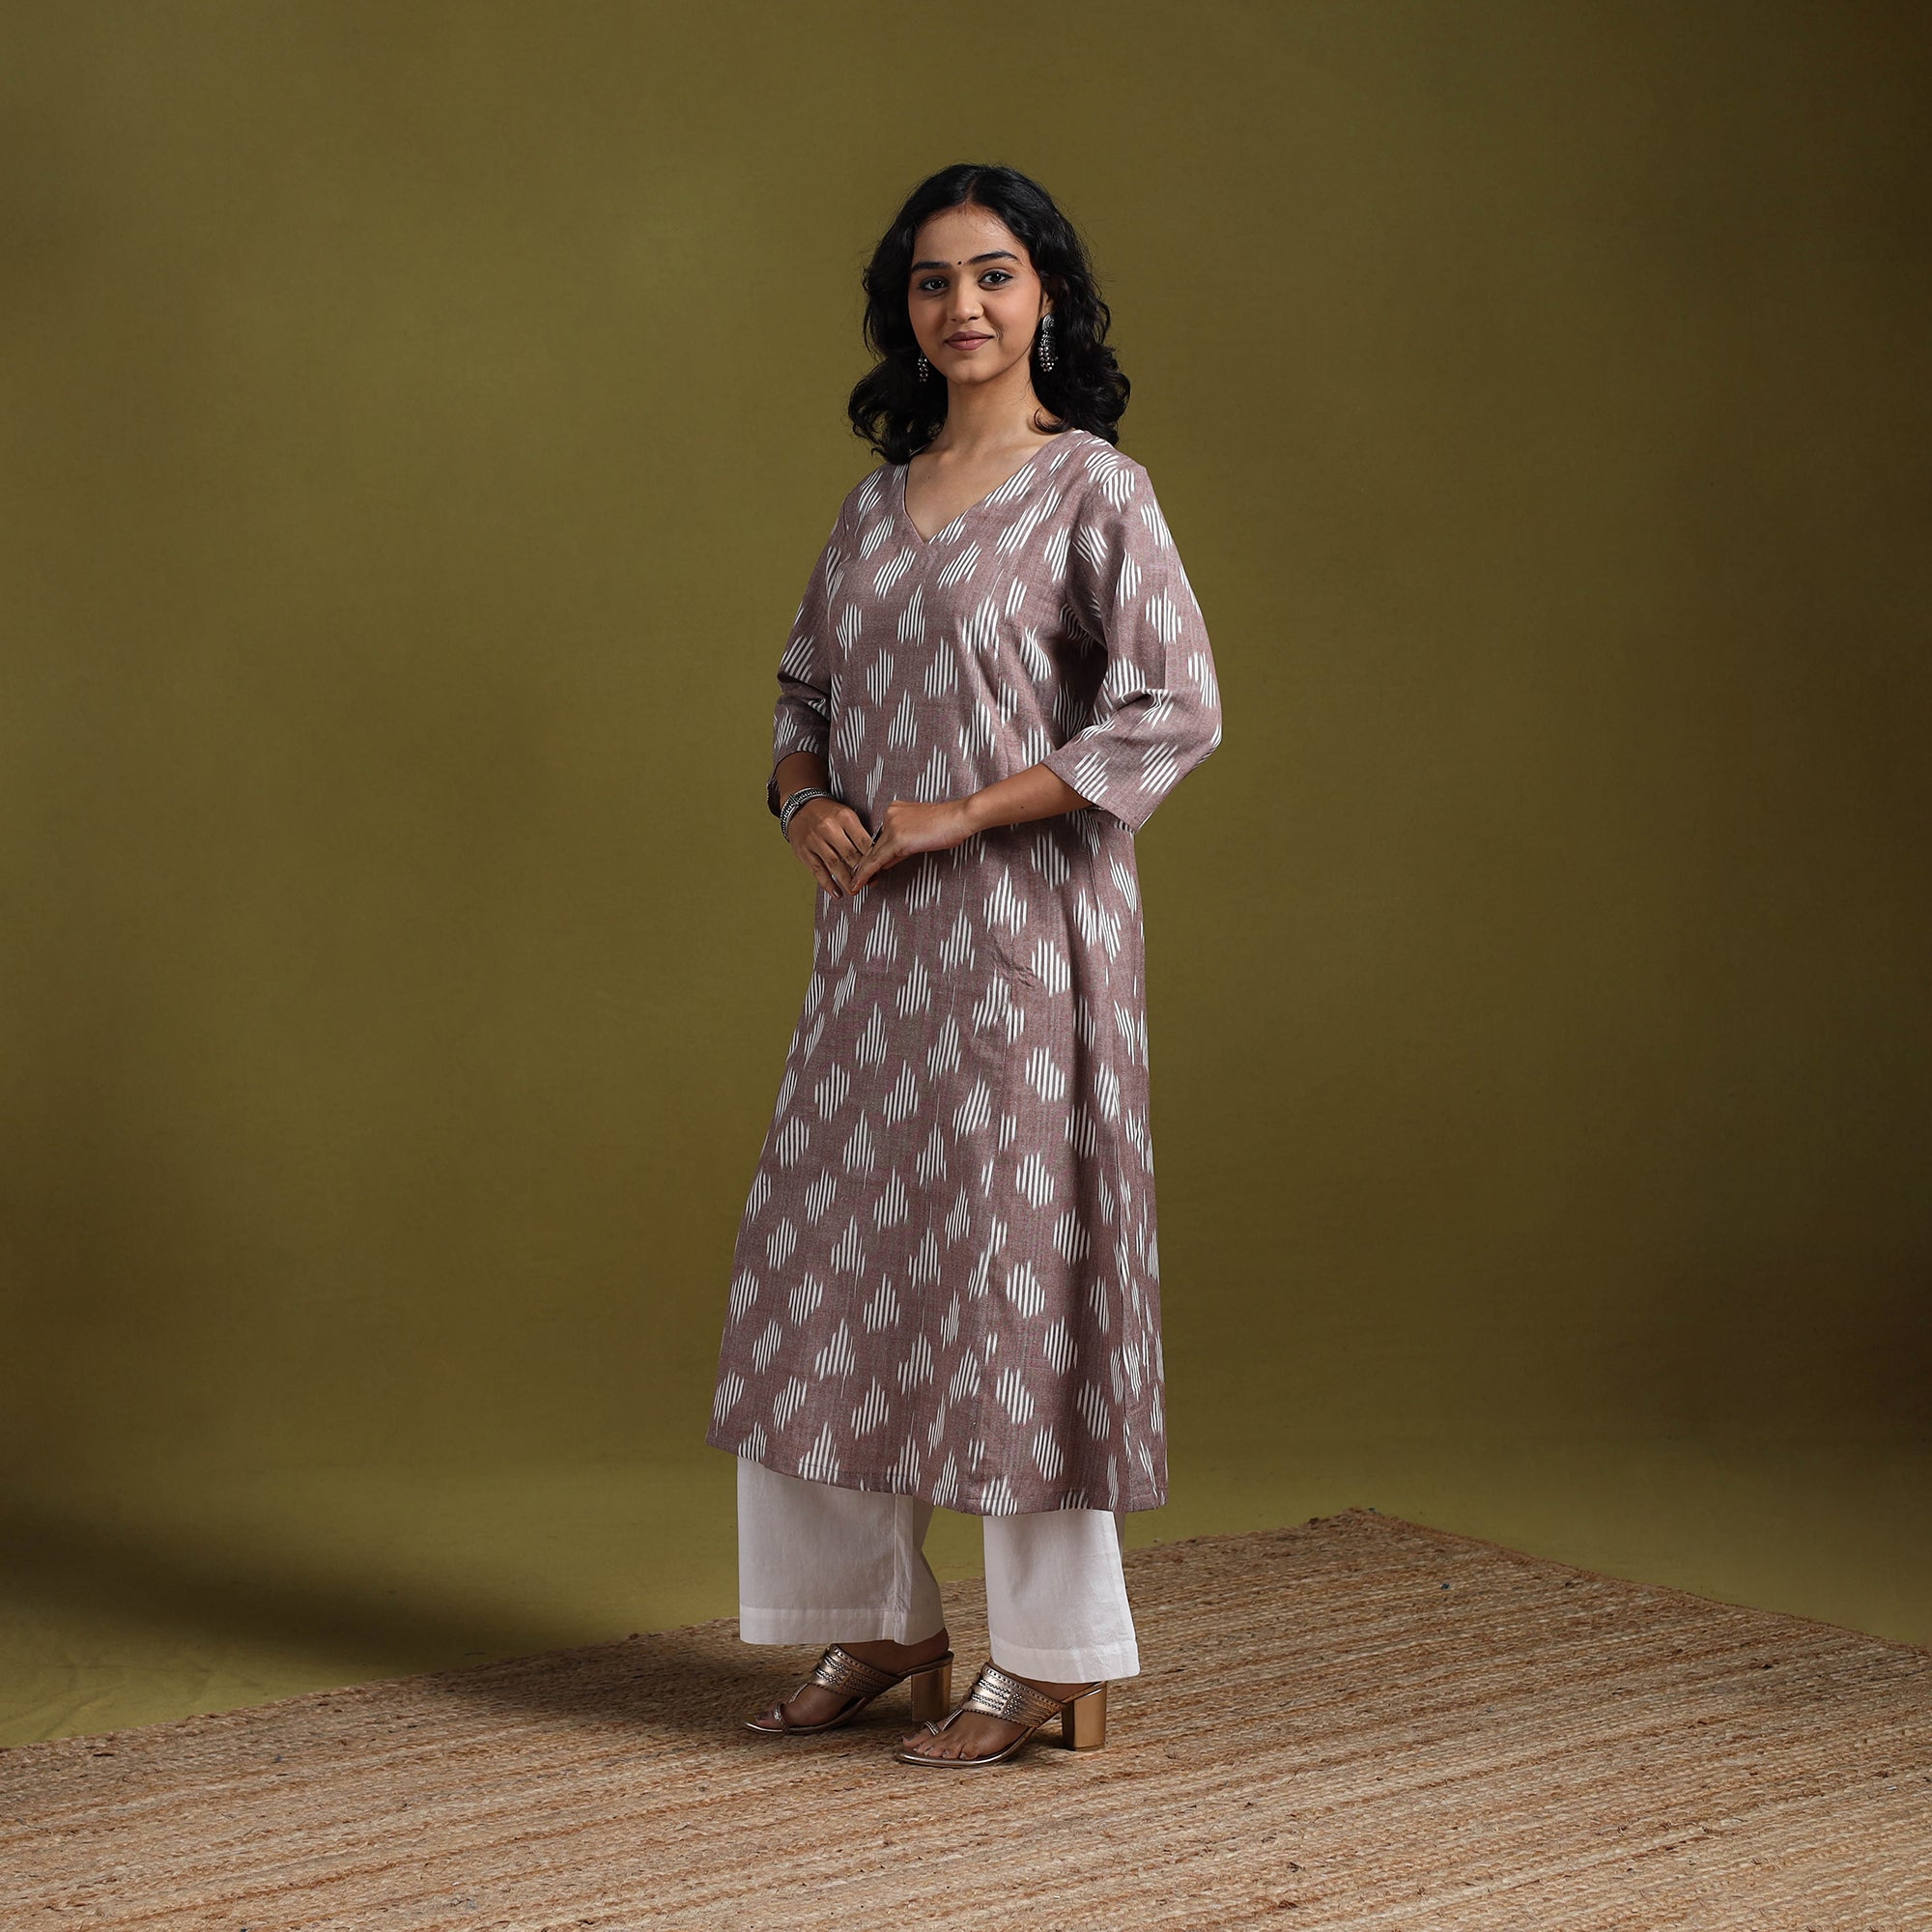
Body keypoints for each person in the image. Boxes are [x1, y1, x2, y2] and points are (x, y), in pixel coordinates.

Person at [705, 160, 1224, 1769]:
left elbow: (1172, 708)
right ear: (905, 312)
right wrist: (804, 801)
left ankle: (1054, 1659)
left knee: (1017, 1284)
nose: (965, 306)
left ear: (1045, 295)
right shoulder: (874, 506)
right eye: (933, 281)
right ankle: (882, 1625)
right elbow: (803, 692)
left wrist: (960, 814)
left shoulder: (1096, 493)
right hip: (871, 958)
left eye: (994, 273)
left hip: (1024, 950)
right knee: (820, 1272)